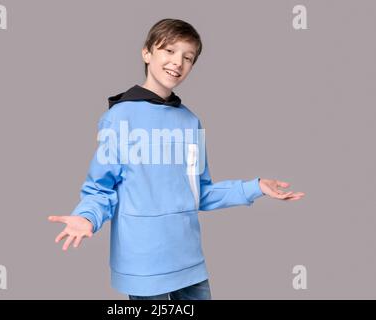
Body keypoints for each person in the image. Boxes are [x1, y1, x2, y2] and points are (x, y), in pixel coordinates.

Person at [48, 18, 305, 300]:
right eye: (169, 51)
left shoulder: (190, 121)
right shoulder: (120, 117)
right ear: (147, 53)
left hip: (189, 260)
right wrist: (87, 217)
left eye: (188, 57)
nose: (177, 62)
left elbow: (199, 192)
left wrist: (255, 186)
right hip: (143, 263)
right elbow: (101, 187)